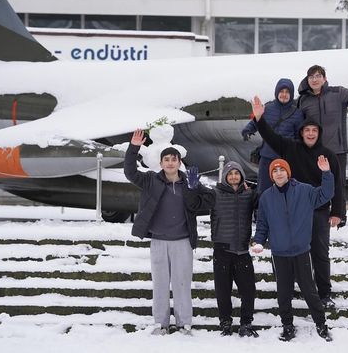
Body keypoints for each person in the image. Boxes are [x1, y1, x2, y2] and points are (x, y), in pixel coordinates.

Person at [250, 95, 344, 310]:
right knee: (290, 250)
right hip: (292, 211)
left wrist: (337, 212)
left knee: (320, 253)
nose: (310, 133)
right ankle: (288, 290)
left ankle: (324, 293)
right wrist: (259, 119)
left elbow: (336, 185)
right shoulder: (291, 148)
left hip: (318, 210)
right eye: (307, 130)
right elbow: (270, 137)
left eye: (314, 130)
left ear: (318, 133)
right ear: (302, 133)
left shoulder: (328, 155)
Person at [124, 129, 214, 336]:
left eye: (174, 159)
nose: (170, 163)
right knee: (161, 284)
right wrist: (133, 148)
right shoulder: (150, 180)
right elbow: (130, 172)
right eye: (167, 159)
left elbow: (210, 199)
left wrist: (193, 190)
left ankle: (185, 323)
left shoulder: (190, 181)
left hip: (182, 241)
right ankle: (160, 323)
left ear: (179, 162)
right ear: (161, 162)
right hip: (158, 241)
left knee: (182, 284)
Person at [251, 157, 334, 342]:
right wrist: (258, 241)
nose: (278, 173)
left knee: (309, 291)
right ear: (271, 176)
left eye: (282, 170)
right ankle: (287, 326)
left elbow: (326, 194)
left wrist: (326, 173)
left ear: (288, 173)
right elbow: (262, 224)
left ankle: (321, 324)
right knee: (283, 293)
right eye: (275, 171)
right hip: (279, 254)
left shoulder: (304, 191)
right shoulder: (266, 197)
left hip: (302, 251)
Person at [297, 57, 348, 226]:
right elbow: (296, 125)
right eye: (311, 77)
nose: (315, 79)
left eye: (318, 76)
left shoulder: (338, 93)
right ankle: (314, 215)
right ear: (307, 80)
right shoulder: (303, 101)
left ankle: (340, 216)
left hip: (337, 148)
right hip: (314, 150)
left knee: (338, 184)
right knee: (314, 183)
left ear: (325, 79)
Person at [203, 161, 259, 337]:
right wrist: (192, 186)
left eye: (237, 173)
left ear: (242, 176)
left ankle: (246, 323)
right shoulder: (215, 193)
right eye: (230, 173)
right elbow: (196, 200)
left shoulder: (248, 195)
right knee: (223, 289)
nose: (234, 176)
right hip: (222, 249)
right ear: (225, 176)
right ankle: (225, 323)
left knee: (248, 289)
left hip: (242, 250)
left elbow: (264, 200)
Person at [241, 78, 304, 194]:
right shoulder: (268, 108)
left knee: (287, 189)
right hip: (267, 156)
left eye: (287, 92)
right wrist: (247, 130)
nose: (284, 95)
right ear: (277, 92)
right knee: (264, 189)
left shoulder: (297, 113)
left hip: (286, 157)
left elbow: (299, 136)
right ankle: (263, 211)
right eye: (282, 91)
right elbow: (257, 120)